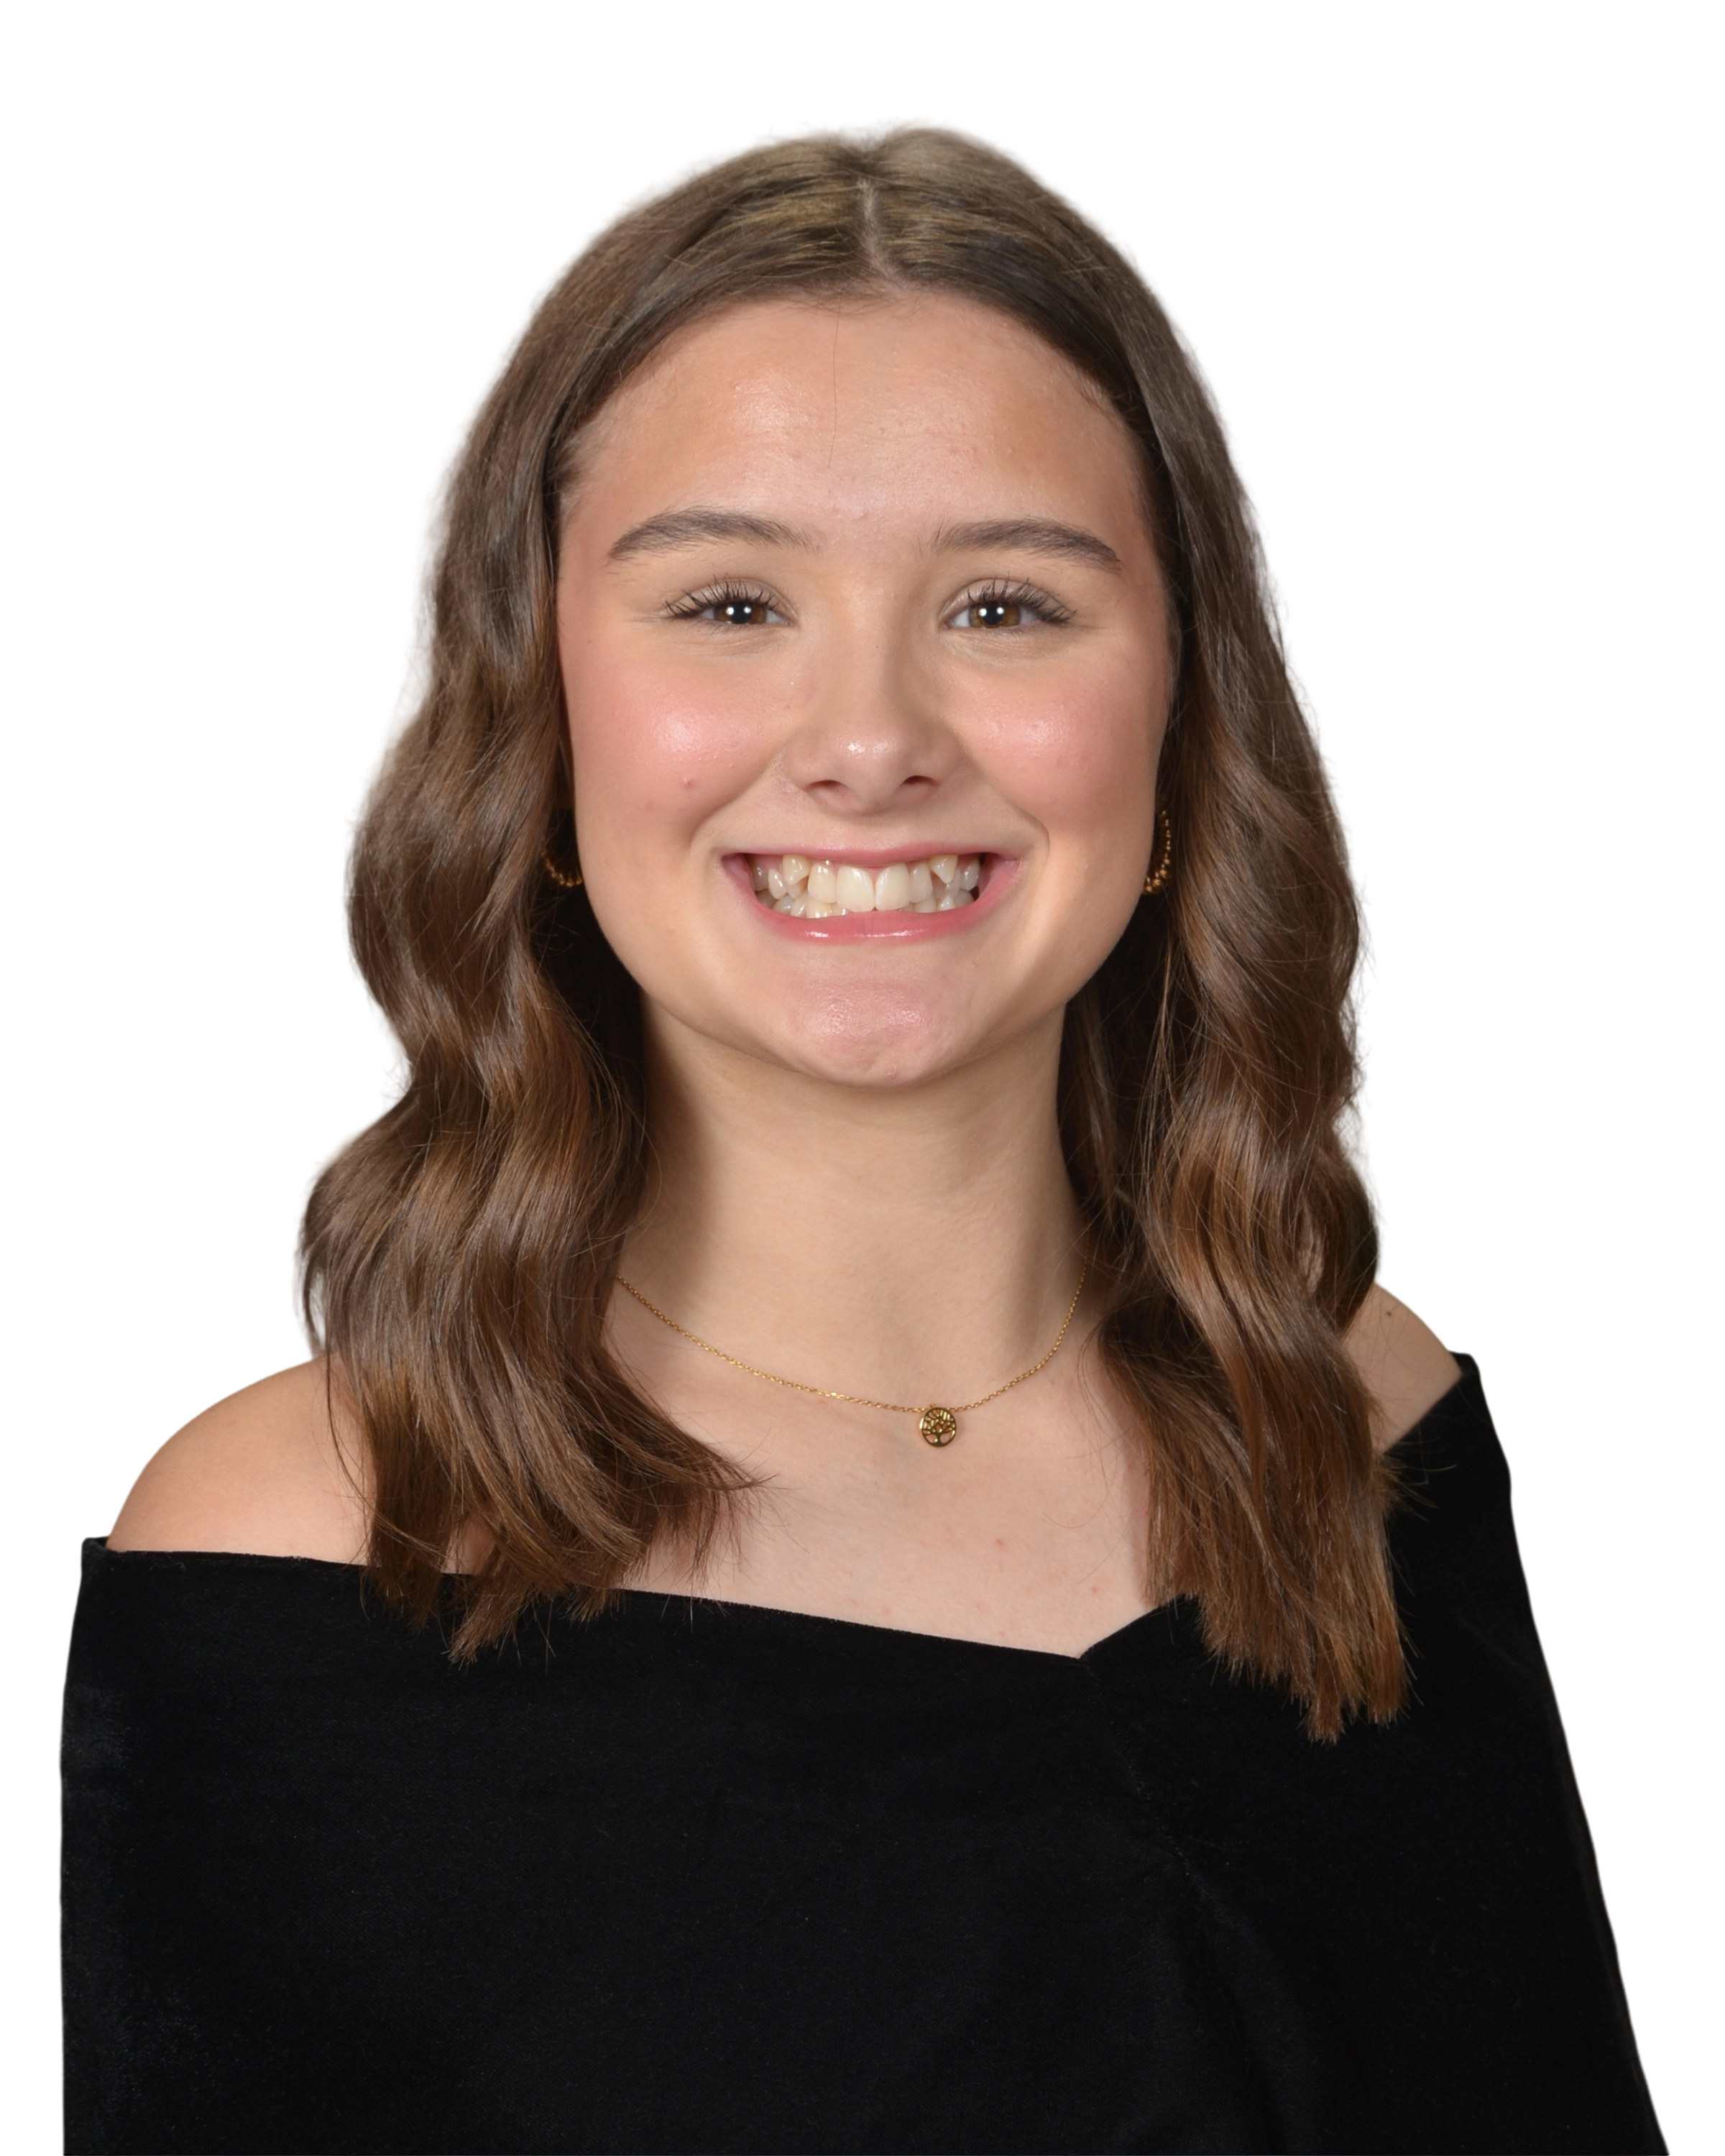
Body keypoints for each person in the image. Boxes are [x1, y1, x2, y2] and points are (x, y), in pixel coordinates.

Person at [57, 114, 1667, 2155]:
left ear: (1186, 729)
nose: (873, 742)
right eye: (731, 603)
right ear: (535, 721)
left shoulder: (1351, 1418)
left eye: (1005, 605)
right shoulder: (307, 1550)